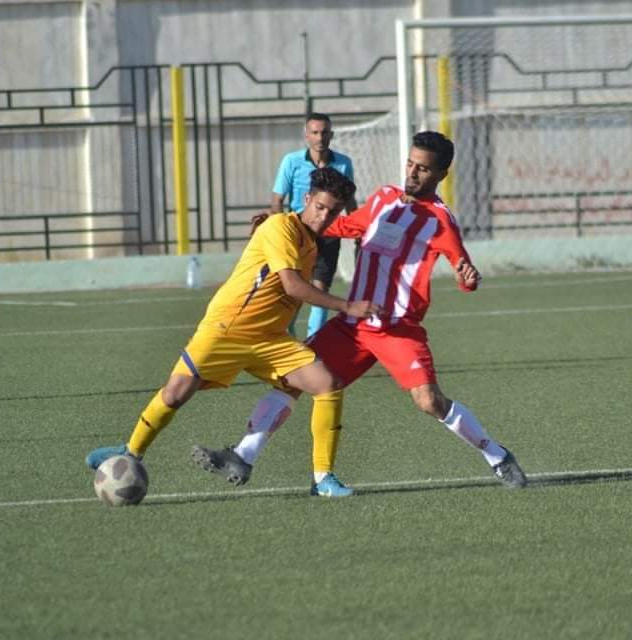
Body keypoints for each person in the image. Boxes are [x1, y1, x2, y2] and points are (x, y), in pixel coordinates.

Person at [193, 131, 528, 496]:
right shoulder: (383, 199)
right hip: (354, 325)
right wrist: (286, 224)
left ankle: (497, 456)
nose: (413, 174)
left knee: (429, 401)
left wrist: (468, 278)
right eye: (411, 164)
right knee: (293, 379)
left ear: (441, 175)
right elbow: (339, 225)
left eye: (423, 169)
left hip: (399, 329)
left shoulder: (440, 221)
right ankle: (243, 455)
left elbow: (463, 268)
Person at [85, 168, 382, 483]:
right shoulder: (281, 226)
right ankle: (130, 451)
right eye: (320, 207)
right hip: (229, 328)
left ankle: (323, 480)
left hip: (269, 338)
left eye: (333, 211)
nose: (325, 216)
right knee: (175, 394)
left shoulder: (310, 241)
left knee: (327, 384)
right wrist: (347, 306)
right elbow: (293, 286)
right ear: (307, 199)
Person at [271, 113, 356, 337]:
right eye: (315, 132)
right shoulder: (291, 161)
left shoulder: (343, 163)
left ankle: (314, 343)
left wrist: (359, 234)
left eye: (325, 132)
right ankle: (286, 335)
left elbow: (350, 203)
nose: (320, 137)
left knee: (321, 289)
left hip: (329, 234)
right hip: (298, 232)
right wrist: (278, 230)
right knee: (291, 288)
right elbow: (278, 199)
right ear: (306, 135)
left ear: (332, 135)